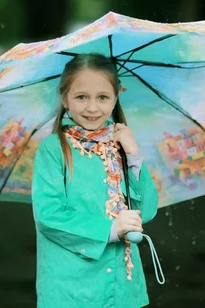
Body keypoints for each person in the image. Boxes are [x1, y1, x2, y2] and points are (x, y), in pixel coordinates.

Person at [31, 53, 159, 307]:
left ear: (115, 98)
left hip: (123, 289)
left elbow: (146, 211)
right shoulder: (53, 149)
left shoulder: (121, 145)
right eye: (81, 97)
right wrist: (111, 229)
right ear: (65, 99)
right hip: (71, 290)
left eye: (102, 97)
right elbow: (49, 215)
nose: (92, 107)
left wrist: (133, 154)